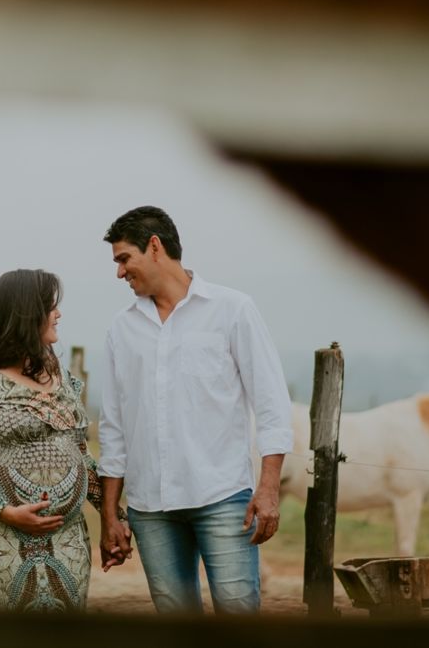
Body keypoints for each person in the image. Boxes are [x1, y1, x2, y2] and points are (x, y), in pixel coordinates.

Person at [96, 205, 293, 614]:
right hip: (150, 509)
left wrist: (269, 488)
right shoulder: (121, 329)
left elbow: (271, 403)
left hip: (222, 497)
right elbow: (113, 427)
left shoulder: (232, 310)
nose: (119, 272)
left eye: (123, 259)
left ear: (154, 247)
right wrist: (110, 514)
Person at [0, 269, 102, 611]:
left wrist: (112, 517)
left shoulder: (59, 373)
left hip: (67, 537)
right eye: (51, 307)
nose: (58, 314)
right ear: (26, 313)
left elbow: (81, 453)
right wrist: (6, 511)